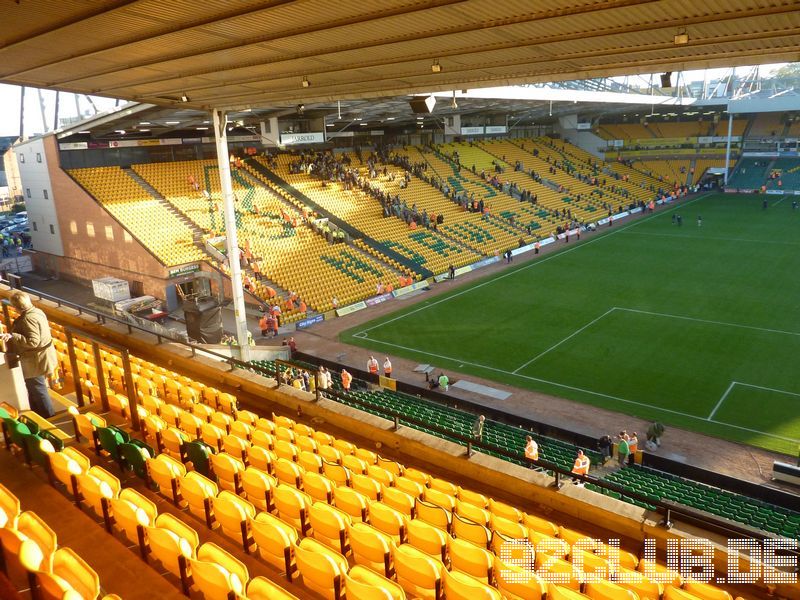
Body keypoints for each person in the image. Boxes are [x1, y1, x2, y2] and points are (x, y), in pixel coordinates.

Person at [1, 291, 59, 418]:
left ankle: (49, 417)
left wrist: (12, 336)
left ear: (16, 306)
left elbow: (33, 342)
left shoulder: (28, 319)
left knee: (38, 389)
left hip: (35, 360)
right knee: (34, 388)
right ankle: (38, 415)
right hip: (37, 358)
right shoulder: (37, 311)